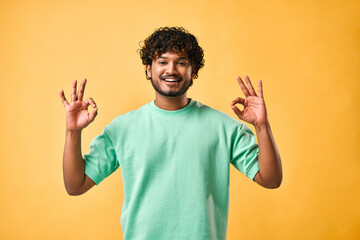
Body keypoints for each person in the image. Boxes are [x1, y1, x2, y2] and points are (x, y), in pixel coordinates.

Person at [60, 26, 282, 240]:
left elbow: (271, 179)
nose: (171, 70)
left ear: (193, 71)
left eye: (181, 62)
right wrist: (73, 132)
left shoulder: (224, 127)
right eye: (162, 61)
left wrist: (262, 126)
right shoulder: (122, 129)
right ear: (149, 69)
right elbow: (75, 185)